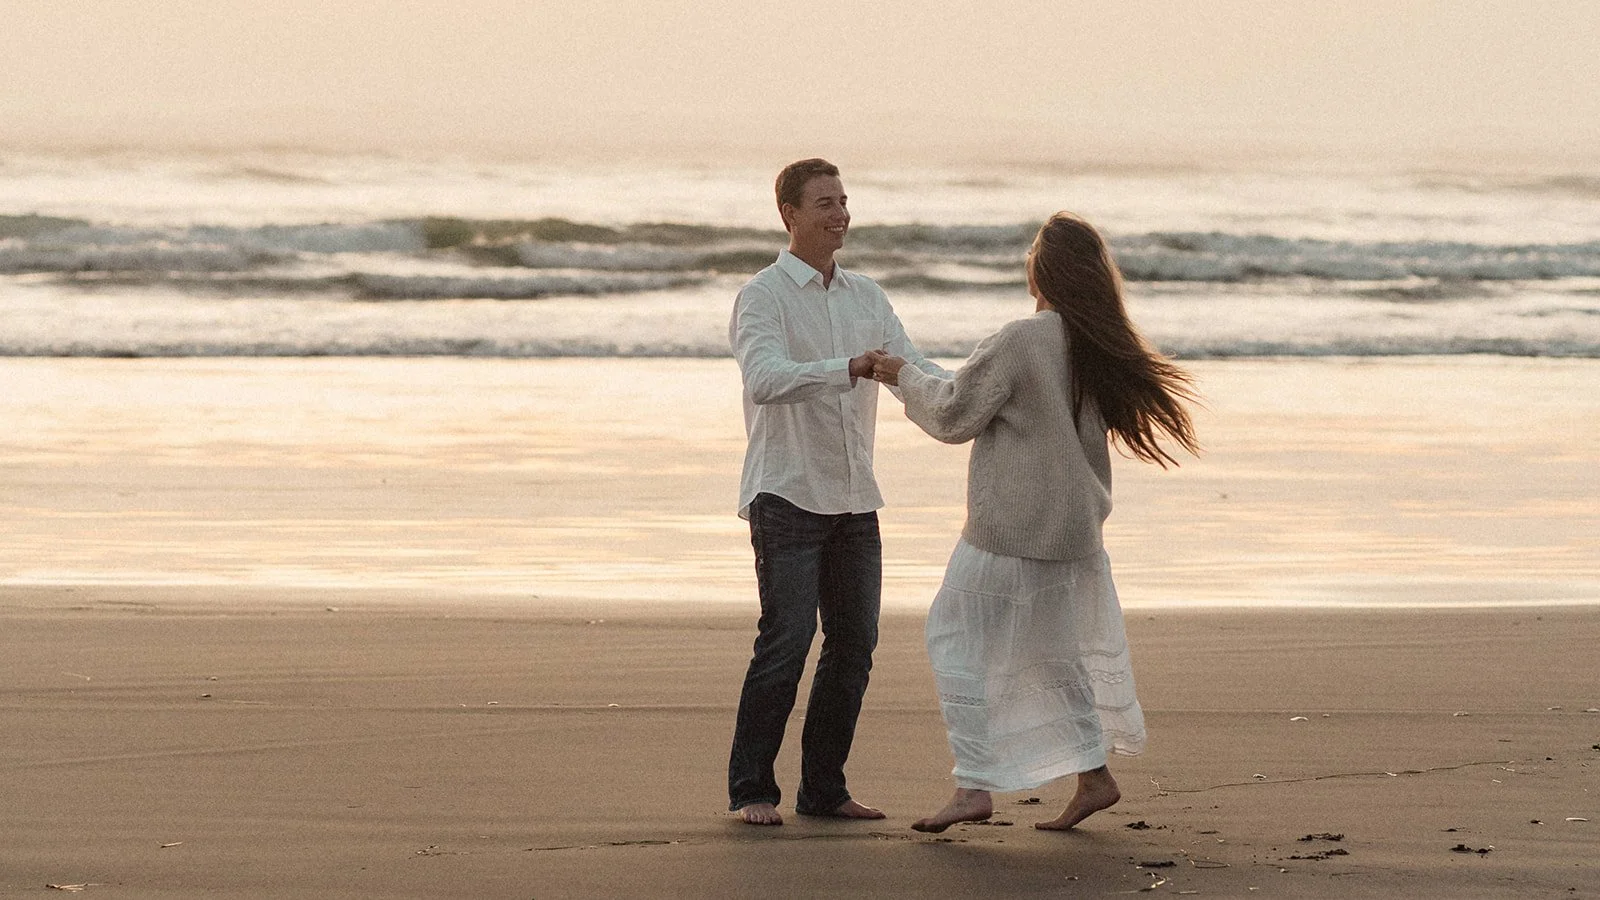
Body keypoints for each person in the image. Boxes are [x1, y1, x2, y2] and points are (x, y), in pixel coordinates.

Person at [870, 211, 1199, 833]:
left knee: (954, 634)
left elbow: (953, 414)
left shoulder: (1024, 339)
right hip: (1074, 532)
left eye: (1031, 253)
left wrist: (898, 375)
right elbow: (972, 396)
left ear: (1041, 272)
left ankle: (973, 787)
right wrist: (920, 376)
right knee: (1055, 654)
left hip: (1015, 529)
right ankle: (1095, 778)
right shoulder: (1097, 343)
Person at [726, 158, 946, 826]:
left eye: (844, 201)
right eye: (825, 203)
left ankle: (823, 790)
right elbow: (765, 377)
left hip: (855, 499)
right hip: (787, 492)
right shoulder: (761, 295)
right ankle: (751, 790)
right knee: (787, 642)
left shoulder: (867, 297)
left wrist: (972, 390)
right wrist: (846, 367)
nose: (840, 214)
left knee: (854, 645)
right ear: (789, 214)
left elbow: (912, 366)